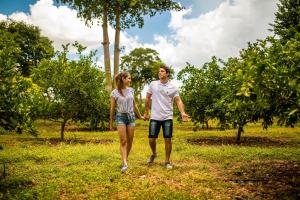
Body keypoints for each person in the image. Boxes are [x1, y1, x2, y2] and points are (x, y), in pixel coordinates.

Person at [143, 65, 189, 169]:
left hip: (167, 117)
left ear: (167, 73)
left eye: (162, 71)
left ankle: (167, 161)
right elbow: (147, 98)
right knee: (151, 139)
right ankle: (154, 154)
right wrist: (146, 112)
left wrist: (182, 113)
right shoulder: (153, 84)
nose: (160, 73)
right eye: (159, 71)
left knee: (168, 139)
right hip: (155, 116)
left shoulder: (173, 87)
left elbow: (178, 100)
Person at [109, 72, 143, 173]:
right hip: (120, 117)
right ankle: (124, 163)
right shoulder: (114, 93)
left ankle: (125, 159)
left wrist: (140, 115)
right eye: (128, 78)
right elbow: (112, 109)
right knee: (123, 141)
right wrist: (110, 122)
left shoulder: (131, 90)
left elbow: (134, 105)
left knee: (130, 141)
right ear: (123, 79)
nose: (130, 80)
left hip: (131, 117)